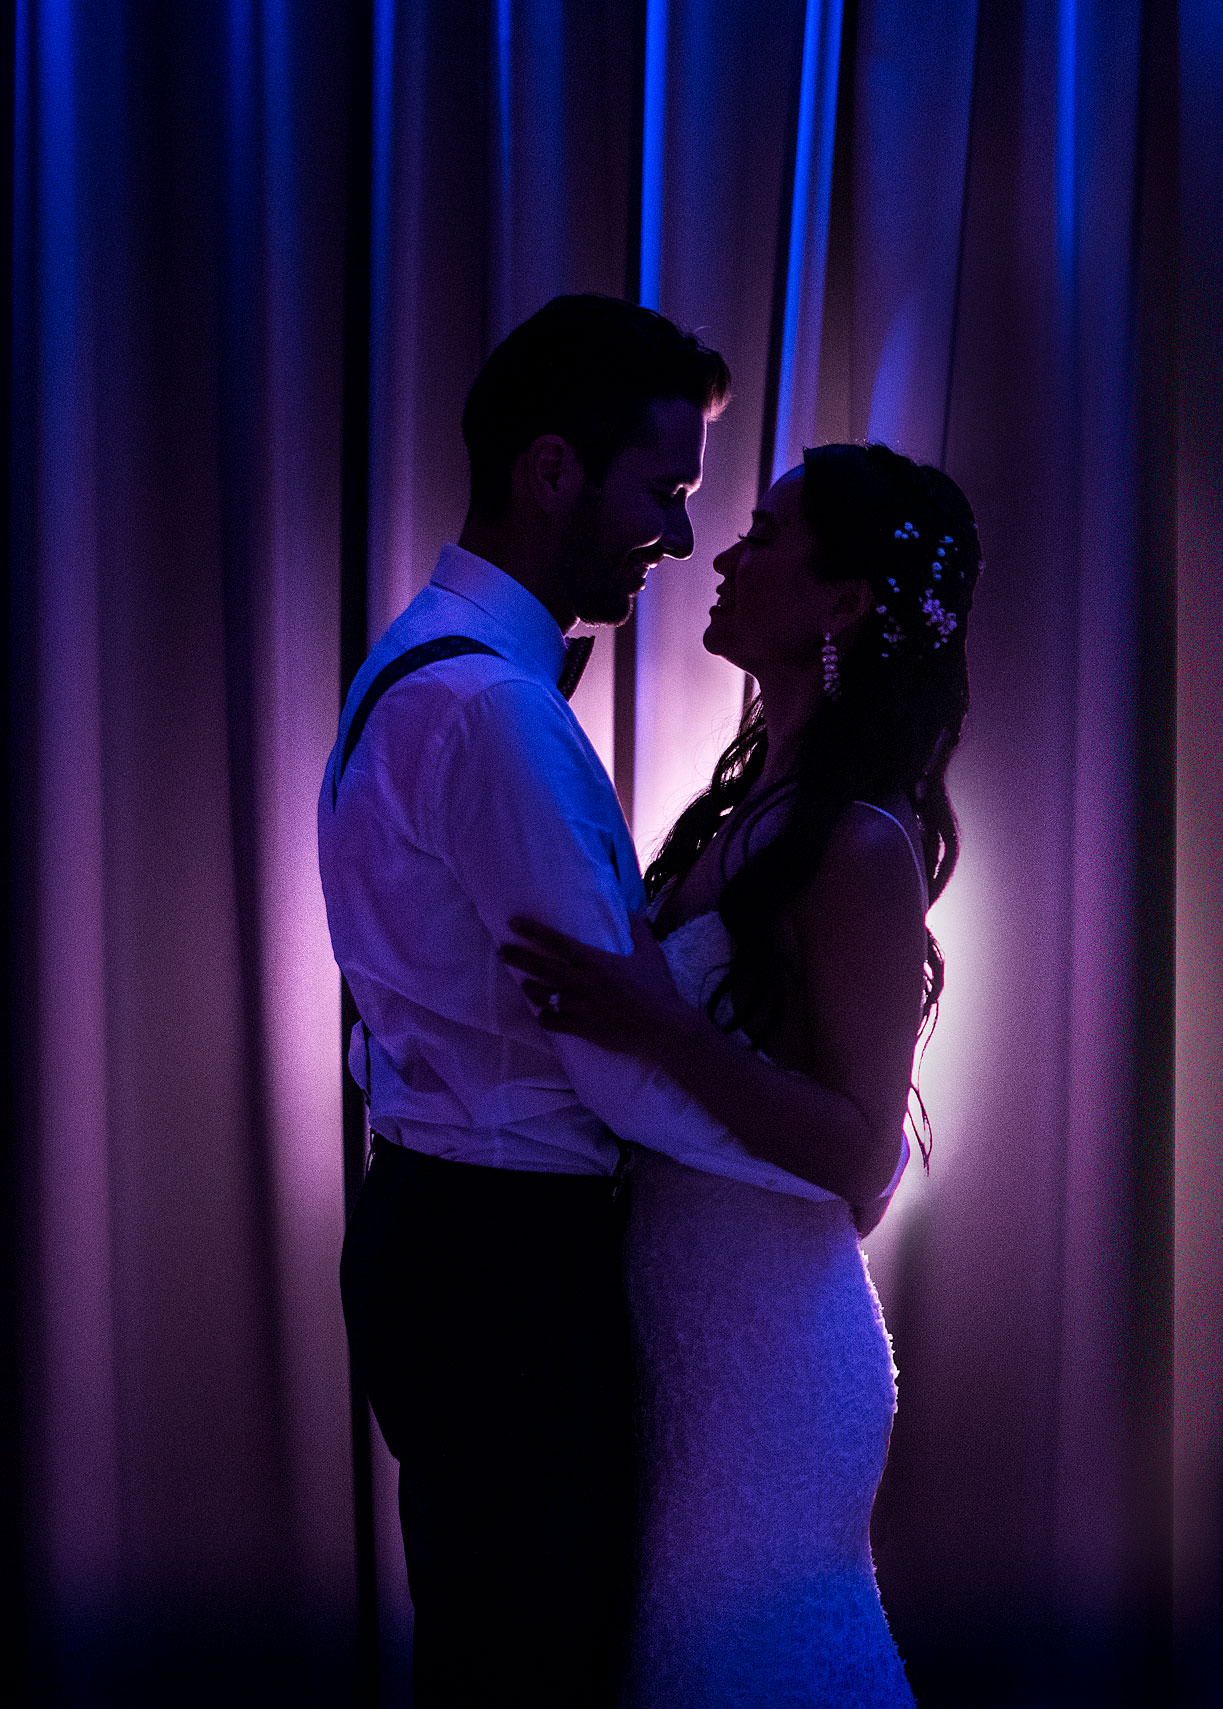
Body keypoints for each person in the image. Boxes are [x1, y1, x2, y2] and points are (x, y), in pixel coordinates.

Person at [324, 294, 835, 1706]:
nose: (677, 537)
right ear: (553, 471)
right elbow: (606, 1061)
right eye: (663, 490)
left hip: (449, 1231)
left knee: (501, 1648)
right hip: (510, 1272)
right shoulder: (492, 713)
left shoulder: (422, 661)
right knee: (534, 1665)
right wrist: (825, 1157)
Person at [498, 442, 979, 1704]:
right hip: (684, 1332)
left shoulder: (862, 844)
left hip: (767, 1352)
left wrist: (657, 1025)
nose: (725, 553)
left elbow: (861, 1151)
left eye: (765, 536)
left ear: (843, 601)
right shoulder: (746, 813)